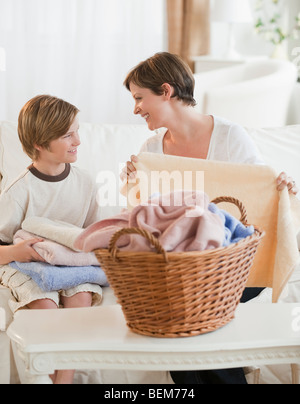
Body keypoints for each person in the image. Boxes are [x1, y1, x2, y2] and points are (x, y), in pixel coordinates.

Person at [121, 52, 298, 384]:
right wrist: (132, 182)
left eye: (139, 98)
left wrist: (283, 187)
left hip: (236, 264)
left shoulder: (230, 137)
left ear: (166, 90)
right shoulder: (152, 149)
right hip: (186, 267)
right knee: (182, 310)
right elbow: (151, 219)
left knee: (185, 310)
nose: (135, 109)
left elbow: (260, 194)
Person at [0, 95, 102, 384]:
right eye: (67, 135)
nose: (78, 141)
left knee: (81, 298)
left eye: (77, 131)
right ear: (40, 144)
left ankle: (63, 381)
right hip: (24, 264)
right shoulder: (18, 192)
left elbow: (92, 236)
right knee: (46, 308)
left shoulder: (85, 183)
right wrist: (20, 252)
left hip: (70, 264)